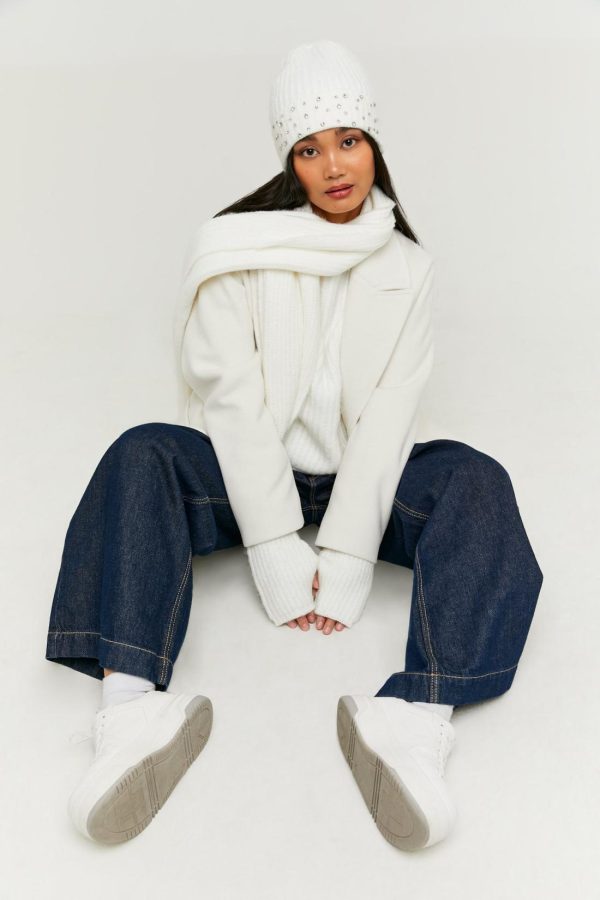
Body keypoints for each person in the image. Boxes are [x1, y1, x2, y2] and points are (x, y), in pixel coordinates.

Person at [45, 39, 543, 851]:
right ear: (289, 160)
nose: (334, 166)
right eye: (309, 149)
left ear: (374, 143)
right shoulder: (233, 246)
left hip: (362, 479)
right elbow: (232, 400)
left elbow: (389, 417)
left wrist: (345, 556)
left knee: (479, 482)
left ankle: (415, 715)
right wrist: (276, 545)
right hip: (248, 470)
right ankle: (130, 708)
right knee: (140, 453)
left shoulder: (409, 267)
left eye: (349, 140)